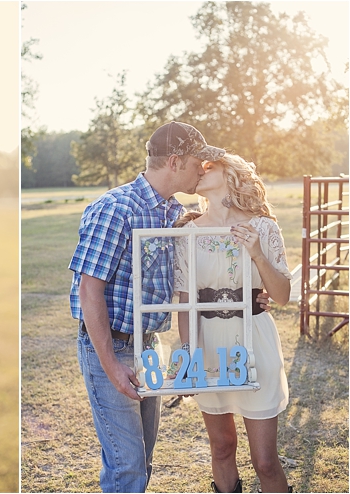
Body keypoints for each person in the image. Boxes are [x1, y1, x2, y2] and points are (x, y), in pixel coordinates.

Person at [68, 121, 271, 493]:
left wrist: (253, 294)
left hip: (147, 345)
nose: (202, 170)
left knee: (141, 459)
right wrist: (111, 365)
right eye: (198, 163)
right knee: (126, 466)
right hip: (111, 345)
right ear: (176, 161)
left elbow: (191, 283)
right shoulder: (116, 207)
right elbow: (88, 290)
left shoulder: (171, 212)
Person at [173, 154, 292, 493]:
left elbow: (281, 295)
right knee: (222, 447)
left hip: (255, 342)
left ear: (231, 173)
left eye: (208, 166)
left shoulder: (263, 226)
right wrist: (189, 357)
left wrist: (256, 252)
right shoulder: (188, 232)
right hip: (208, 346)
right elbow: (186, 301)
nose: (200, 170)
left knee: (265, 461)